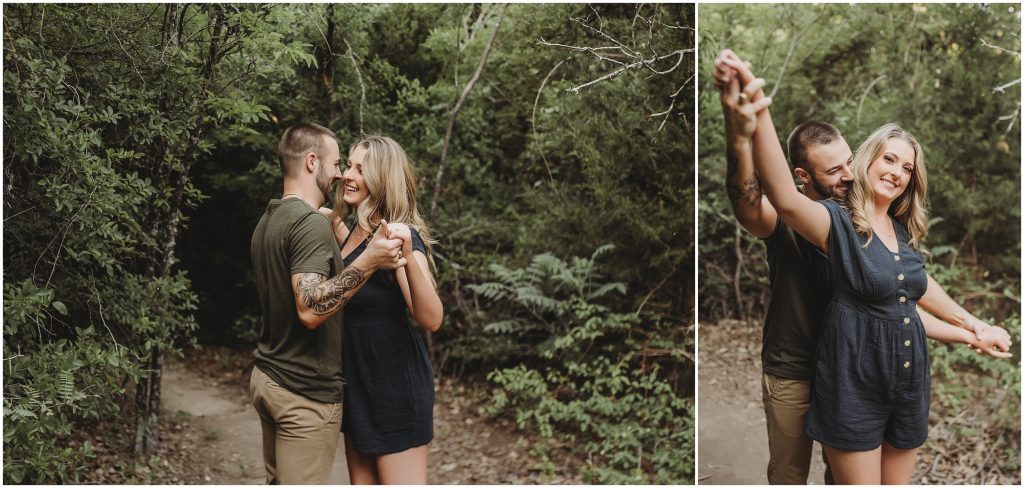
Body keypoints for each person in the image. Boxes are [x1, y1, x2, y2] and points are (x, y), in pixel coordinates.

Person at [714, 51, 1013, 484]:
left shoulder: (883, 226)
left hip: (860, 366)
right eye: (835, 170)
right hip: (800, 365)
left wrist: (973, 328)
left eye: (850, 161)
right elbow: (758, 201)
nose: (849, 175)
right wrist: (747, 129)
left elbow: (905, 300)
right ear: (805, 175)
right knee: (790, 475)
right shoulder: (809, 219)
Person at [249, 123, 408, 484]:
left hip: (269, 378)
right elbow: (308, 308)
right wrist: (370, 261)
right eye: (337, 164)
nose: (339, 175)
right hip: (302, 392)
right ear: (311, 162)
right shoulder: (309, 225)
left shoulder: (269, 219)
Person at [326, 134, 443, 484]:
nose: (348, 174)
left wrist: (406, 256)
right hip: (359, 383)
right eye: (348, 164)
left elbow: (431, 318)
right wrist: (329, 221)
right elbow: (357, 264)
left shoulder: (398, 236)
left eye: (360, 169)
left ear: (381, 179)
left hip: (394, 386)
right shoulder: (356, 231)